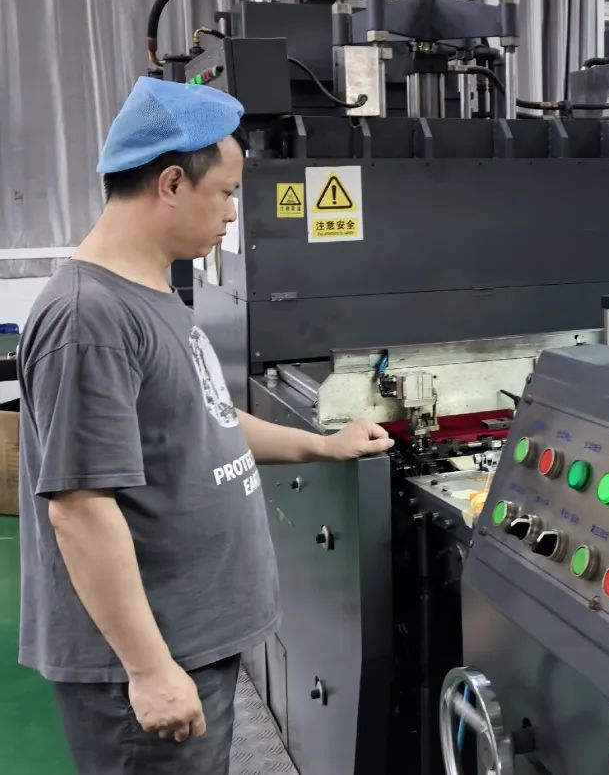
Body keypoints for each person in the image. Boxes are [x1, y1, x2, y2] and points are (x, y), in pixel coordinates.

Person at [17, 76, 394, 775]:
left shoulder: (152, 292)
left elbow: (207, 418)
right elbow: (79, 508)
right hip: (146, 662)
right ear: (170, 184)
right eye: (224, 193)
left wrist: (323, 445)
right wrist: (150, 669)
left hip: (190, 642)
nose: (231, 213)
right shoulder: (88, 319)